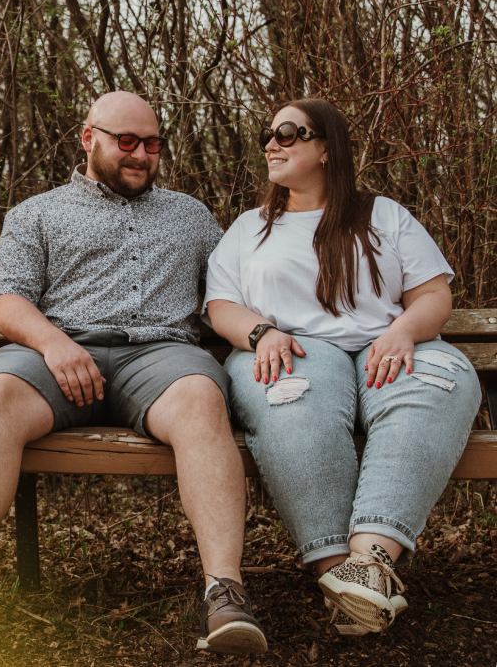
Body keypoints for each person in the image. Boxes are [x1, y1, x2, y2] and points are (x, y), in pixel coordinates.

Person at [0, 91, 268, 656]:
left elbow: (233, 293)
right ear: (89, 138)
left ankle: (224, 591)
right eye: (125, 141)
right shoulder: (36, 213)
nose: (140, 155)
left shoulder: (193, 217)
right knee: (0, 398)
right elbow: (7, 303)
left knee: (204, 399)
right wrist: (54, 344)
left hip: (160, 357)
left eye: (151, 144)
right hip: (58, 353)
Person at [205, 98, 481, 635]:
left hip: (392, 346)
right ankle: (339, 575)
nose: (272, 143)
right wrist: (261, 333)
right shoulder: (250, 227)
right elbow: (221, 306)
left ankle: (371, 563)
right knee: (289, 399)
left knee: (438, 384)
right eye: (269, 134)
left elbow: (432, 294)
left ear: (327, 147)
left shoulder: (383, 214)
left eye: (289, 132)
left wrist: (403, 331)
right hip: (293, 349)